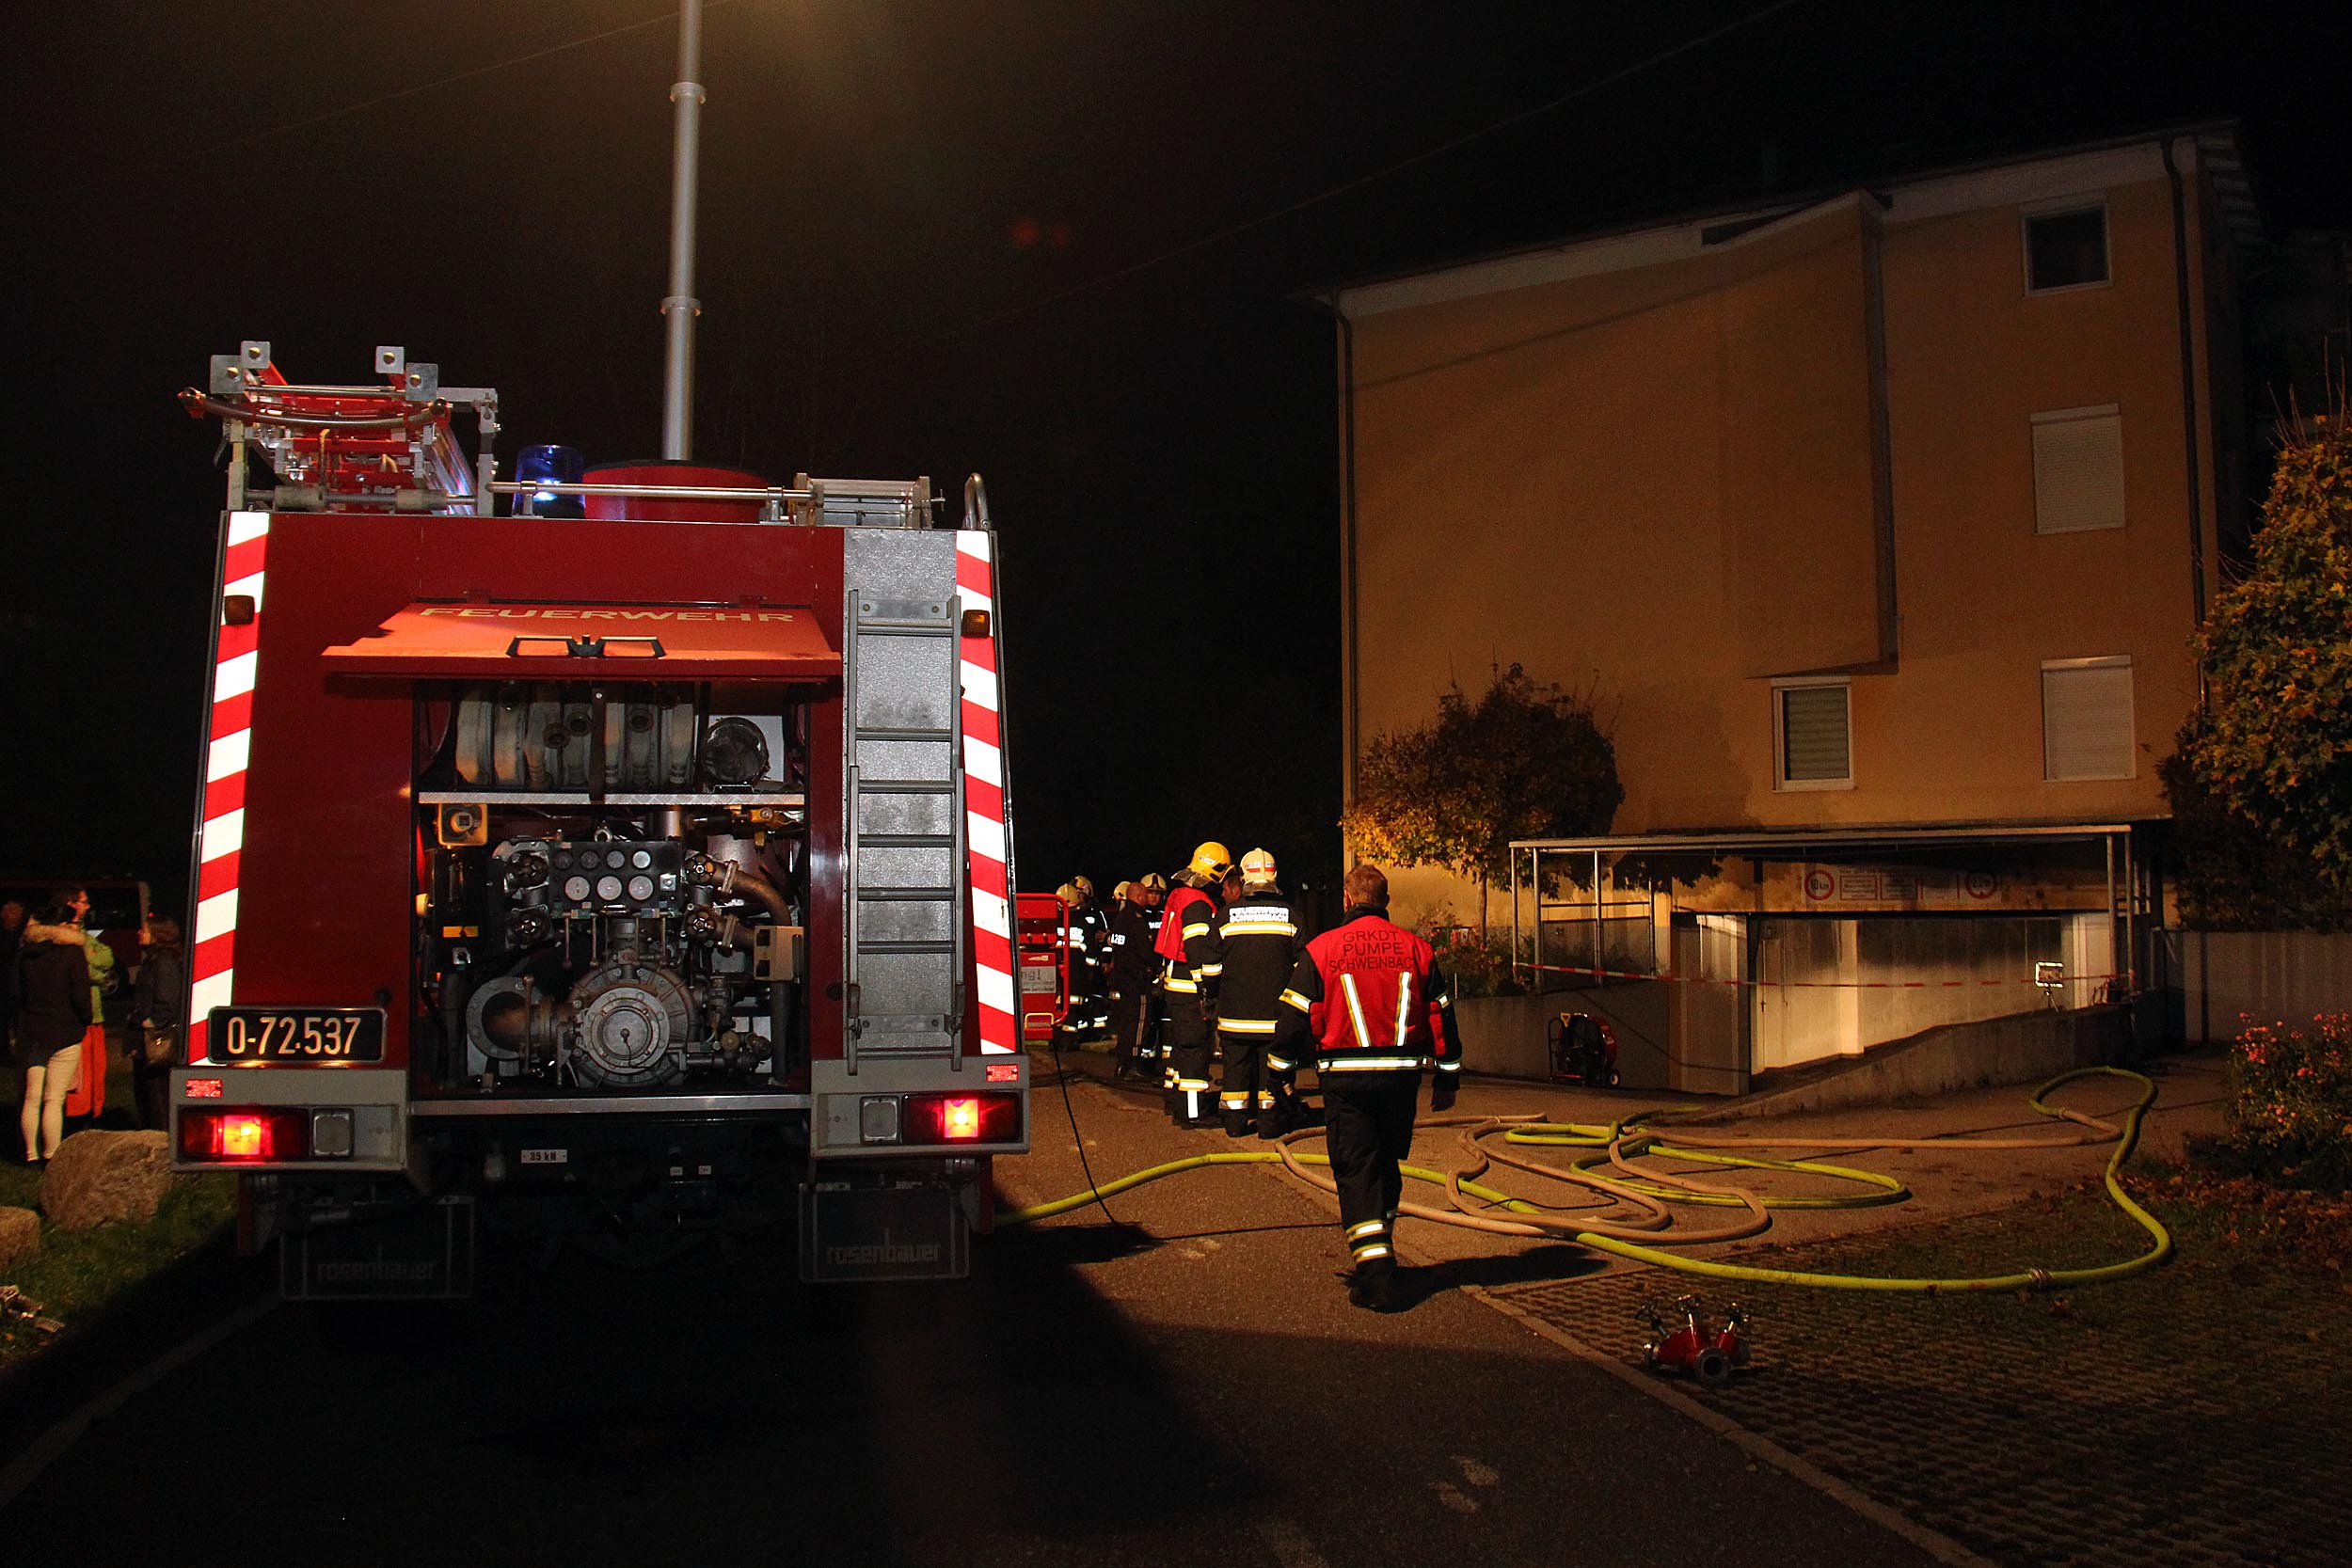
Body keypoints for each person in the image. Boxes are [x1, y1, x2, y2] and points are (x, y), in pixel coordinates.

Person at [1277, 863, 1462, 1310]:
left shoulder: (1322, 950)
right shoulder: (1417, 949)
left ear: (1346, 899)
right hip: (1401, 1079)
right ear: (1386, 901)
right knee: (1387, 1164)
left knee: (1357, 1170)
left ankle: (1377, 1274)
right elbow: (1441, 1016)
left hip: (1345, 1079)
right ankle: (1381, 1253)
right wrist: (1448, 1076)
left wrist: (1279, 1072)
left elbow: (1293, 1018)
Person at [1213, 848, 1306, 1138]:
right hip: (1275, 1019)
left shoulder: (1226, 915)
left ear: (1243, 878)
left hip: (1233, 1016)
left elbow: (1210, 964)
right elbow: (1304, 967)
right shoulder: (1291, 916)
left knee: (1236, 1072)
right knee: (1271, 1075)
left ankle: (1235, 1125)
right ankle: (1269, 1126)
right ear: (1274, 876)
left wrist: (1212, 995)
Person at [1154, 842, 1230, 1128]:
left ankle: (1174, 1102)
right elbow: (1197, 950)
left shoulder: (1181, 896)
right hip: (1189, 989)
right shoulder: (1198, 904)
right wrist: (1208, 991)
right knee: (1196, 1050)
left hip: (1176, 985)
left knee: (1181, 1048)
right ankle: (1193, 1112)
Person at [15, 901, 92, 1164]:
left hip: (32, 1031)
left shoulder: (26, 953)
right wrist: (84, 1021)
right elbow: (81, 996)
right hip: (65, 1031)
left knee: (32, 1096)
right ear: (63, 925)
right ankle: (51, 1154)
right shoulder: (72, 953)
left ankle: (30, 1153)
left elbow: (16, 994)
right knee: (54, 1099)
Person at [132, 913, 187, 1131]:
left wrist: (152, 1023)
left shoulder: (162, 963)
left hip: (156, 1040)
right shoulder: (155, 959)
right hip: (151, 1036)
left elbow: (166, 999)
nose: (139, 933)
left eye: (144, 930)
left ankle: (160, 1137)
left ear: (158, 935)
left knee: (156, 1094)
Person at [1104, 875, 1161, 1080]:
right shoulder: (1137, 920)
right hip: (1138, 981)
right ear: (1138, 896)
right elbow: (1145, 951)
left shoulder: (1120, 919)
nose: (1149, 897)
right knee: (1139, 1021)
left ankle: (1122, 1061)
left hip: (1123, 978)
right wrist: (1157, 965)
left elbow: (1116, 948)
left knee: (1127, 1021)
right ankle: (1133, 1062)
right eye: (1146, 894)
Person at [1068, 875, 1111, 1035]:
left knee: (1097, 994)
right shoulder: (1069, 914)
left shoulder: (1096, 915)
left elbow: (1105, 939)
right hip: (1078, 965)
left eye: (1080, 893)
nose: (1077, 896)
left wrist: (1105, 961)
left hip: (1095, 962)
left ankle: (1098, 1029)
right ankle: (1082, 1029)